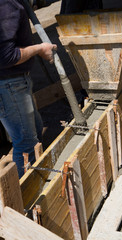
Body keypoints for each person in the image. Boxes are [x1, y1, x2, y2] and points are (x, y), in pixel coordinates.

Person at [0, 0, 57, 178]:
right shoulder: (7, 5)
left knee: (35, 130)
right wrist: (40, 49)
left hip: (13, 83)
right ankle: (25, 197)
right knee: (26, 142)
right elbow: (7, 57)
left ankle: (37, 178)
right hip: (9, 84)